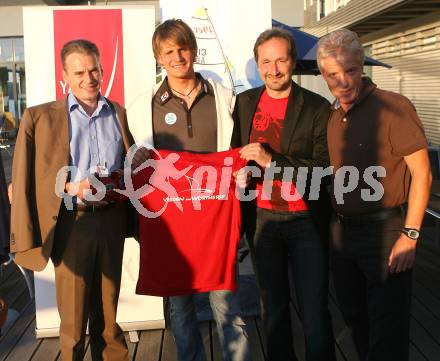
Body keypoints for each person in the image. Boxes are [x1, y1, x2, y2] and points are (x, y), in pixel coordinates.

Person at [128, 19, 251, 361]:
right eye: (168, 51)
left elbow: (237, 150)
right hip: (174, 223)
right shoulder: (143, 106)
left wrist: (239, 174)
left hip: (216, 220)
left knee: (226, 303)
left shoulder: (224, 98)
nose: (177, 56)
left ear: (194, 50)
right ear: (159, 58)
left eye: (182, 48)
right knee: (180, 309)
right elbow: (137, 163)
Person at [10, 39, 139, 361]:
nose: (89, 78)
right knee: (73, 321)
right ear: (65, 75)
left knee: (109, 314)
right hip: (71, 221)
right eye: (79, 72)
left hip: (111, 219)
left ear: (102, 68)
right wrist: (69, 188)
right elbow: (30, 181)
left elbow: (131, 165)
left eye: (94, 69)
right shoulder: (38, 118)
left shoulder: (117, 112)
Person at [317, 28, 432, 361]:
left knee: (388, 332)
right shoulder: (333, 115)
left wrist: (410, 235)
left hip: (385, 234)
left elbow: (422, 174)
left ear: (362, 65)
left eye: (350, 70)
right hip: (342, 234)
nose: (342, 81)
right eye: (332, 74)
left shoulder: (394, 107)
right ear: (324, 76)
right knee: (356, 320)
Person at [231, 28, 335, 361]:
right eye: (266, 61)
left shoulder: (318, 108)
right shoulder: (245, 103)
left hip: (305, 220)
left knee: (313, 312)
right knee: (272, 311)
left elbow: (322, 170)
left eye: (281, 60)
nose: (273, 69)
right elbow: (236, 154)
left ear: (292, 62)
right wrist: (241, 174)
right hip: (261, 222)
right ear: (257, 64)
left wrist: (269, 160)